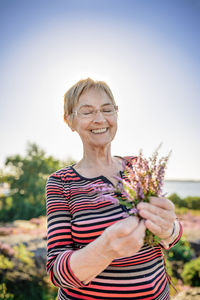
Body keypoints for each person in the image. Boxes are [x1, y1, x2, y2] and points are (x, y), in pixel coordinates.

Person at [46, 78, 182, 300]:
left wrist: (170, 229)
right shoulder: (61, 182)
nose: (100, 119)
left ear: (116, 114)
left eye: (107, 109)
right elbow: (56, 271)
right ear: (69, 120)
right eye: (87, 112)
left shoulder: (139, 167)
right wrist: (104, 249)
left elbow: (170, 235)